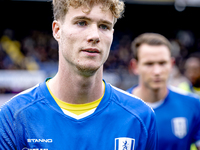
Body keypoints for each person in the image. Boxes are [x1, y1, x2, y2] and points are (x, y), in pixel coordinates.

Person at [0, 1, 157, 150]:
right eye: (82, 22)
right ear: (57, 30)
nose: (95, 35)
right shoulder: (13, 117)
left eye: (104, 26)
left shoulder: (140, 118)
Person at [127, 33, 200, 150]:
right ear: (134, 66)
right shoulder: (118, 109)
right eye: (149, 64)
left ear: (171, 64)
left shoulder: (193, 105)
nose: (157, 71)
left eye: (162, 63)